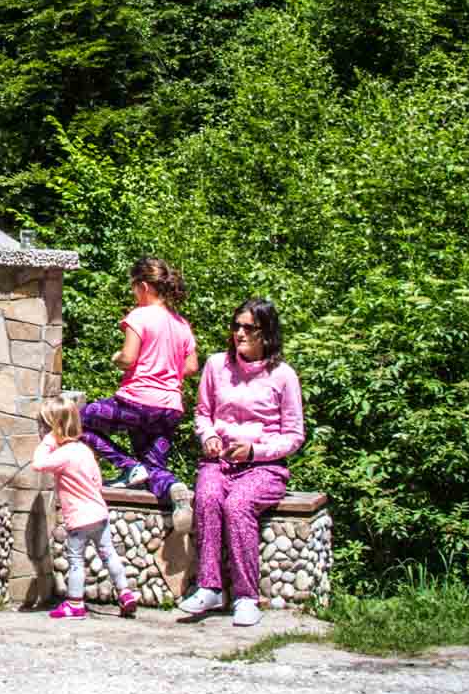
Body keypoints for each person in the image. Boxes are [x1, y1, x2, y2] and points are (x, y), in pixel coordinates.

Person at [179, 298, 305, 629]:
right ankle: (210, 588)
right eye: (236, 325)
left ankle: (247, 597)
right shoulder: (216, 365)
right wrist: (207, 436)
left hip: (265, 467)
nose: (239, 333)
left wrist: (254, 452)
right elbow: (203, 413)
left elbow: (294, 435)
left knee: (237, 505)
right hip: (217, 462)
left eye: (248, 327)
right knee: (206, 498)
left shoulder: (283, 376)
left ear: (267, 333)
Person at [80, 256, 199, 533]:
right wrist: (166, 368)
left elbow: (128, 357)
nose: (133, 292)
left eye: (134, 287)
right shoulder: (181, 323)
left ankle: (127, 465)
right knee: (153, 465)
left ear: (144, 286)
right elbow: (192, 366)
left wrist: (117, 357)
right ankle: (175, 490)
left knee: (77, 420)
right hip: (169, 408)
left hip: (137, 401)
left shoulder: (139, 316)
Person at [33, 396, 138, 620]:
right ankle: (125, 593)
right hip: (99, 515)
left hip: (79, 520)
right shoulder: (84, 450)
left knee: (75, 561)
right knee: (109, 555)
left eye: (44, 426)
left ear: (55, 428)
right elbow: (97, 481)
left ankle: (75, 604)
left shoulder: (62, 454)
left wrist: (48, 443)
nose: (41, 430)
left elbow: (39, 464)